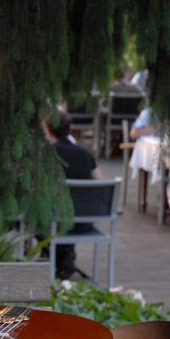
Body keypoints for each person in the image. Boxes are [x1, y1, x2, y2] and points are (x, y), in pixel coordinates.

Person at [47, 111, 103, 279]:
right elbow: (100, 183)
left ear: (49, 132)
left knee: (37, 219)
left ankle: (63, 260)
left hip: (55, 221)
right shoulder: (85, 154)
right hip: (84, 221)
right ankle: (65, 259)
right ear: (70, 129)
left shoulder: (48, 155)